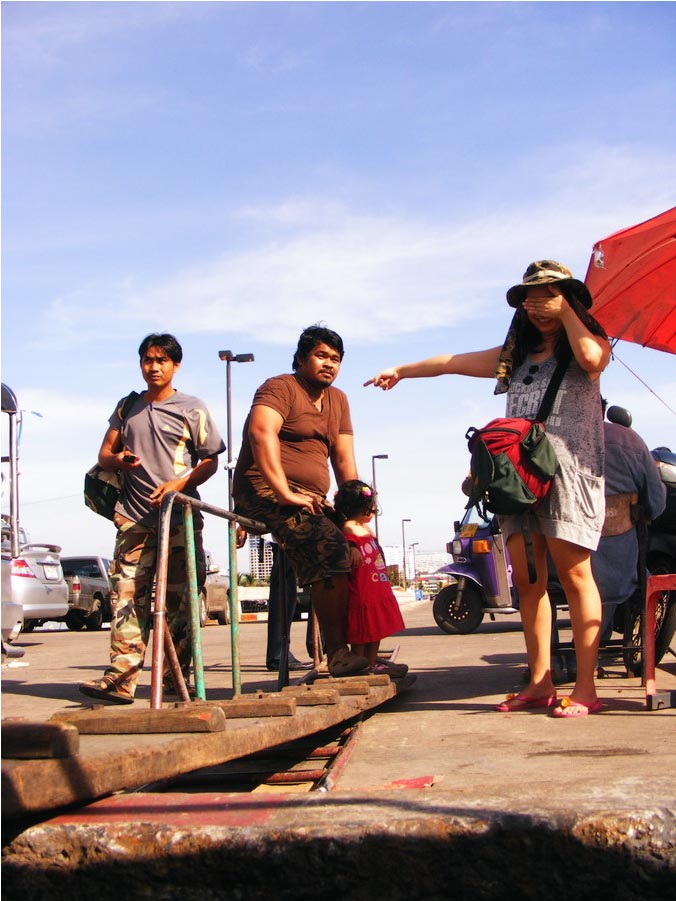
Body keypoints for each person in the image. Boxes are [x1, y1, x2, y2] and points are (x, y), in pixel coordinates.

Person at [366, 260, 611, 718]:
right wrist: (401, 369)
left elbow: (594, 359)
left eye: (549, 295)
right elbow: (450, 363)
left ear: (569, 297)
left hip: (570, 476)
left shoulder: (585, 346)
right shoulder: (514, 357)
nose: (538, 307)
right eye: (530, 299)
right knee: (530, 583)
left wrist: (567, 312)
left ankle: (585, 687)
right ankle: (540, 684)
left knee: (576, 578)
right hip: (517, 481)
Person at [79, 334, 225, 704]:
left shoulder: (193, 408)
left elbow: (211, 460)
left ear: (176, 366)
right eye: (148, 360)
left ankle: (176, 680)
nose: (154, 367)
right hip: (133, 519)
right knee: (125, 598)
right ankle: (121, 680)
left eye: (162, 360)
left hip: (180, 517)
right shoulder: (127, 406)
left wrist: (181, 482)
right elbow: (104, 454)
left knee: (180, 602)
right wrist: (119, 460)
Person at [233, 324, 369, 677]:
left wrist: (355, 507)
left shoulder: (338, 399)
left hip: (312, 497)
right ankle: (338, 654)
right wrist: (283, 492)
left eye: (335, 359)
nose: (329, 364)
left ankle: (365, 654)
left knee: (363, 551)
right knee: (327, 545)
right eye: (321, 356)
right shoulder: (280, 387)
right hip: (263, 490)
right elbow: (261, 434)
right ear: (301, 358)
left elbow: (343, 459)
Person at [593, 408, 666, 641]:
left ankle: (554, 656)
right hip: (618, 570)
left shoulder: (552, 439)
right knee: (637, 571)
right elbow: (656, 503)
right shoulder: (628, 440)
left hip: (559, 569)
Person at [333, 480, 408, 676]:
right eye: (371, 506)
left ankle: (372, 663)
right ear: (360, 507)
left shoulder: (366, 529)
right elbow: (346, 543)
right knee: (361, 631)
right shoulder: (349, 528)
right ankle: (361, 663)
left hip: (376, 587)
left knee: (375, 629)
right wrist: (352, 548)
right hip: (361, 587)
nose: (374, 509)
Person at [265, 542, 313, 671]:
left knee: (321, 581)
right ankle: (278, 655)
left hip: (305, 532)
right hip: (287, 533)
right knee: (284, 588)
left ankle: (319, 646)